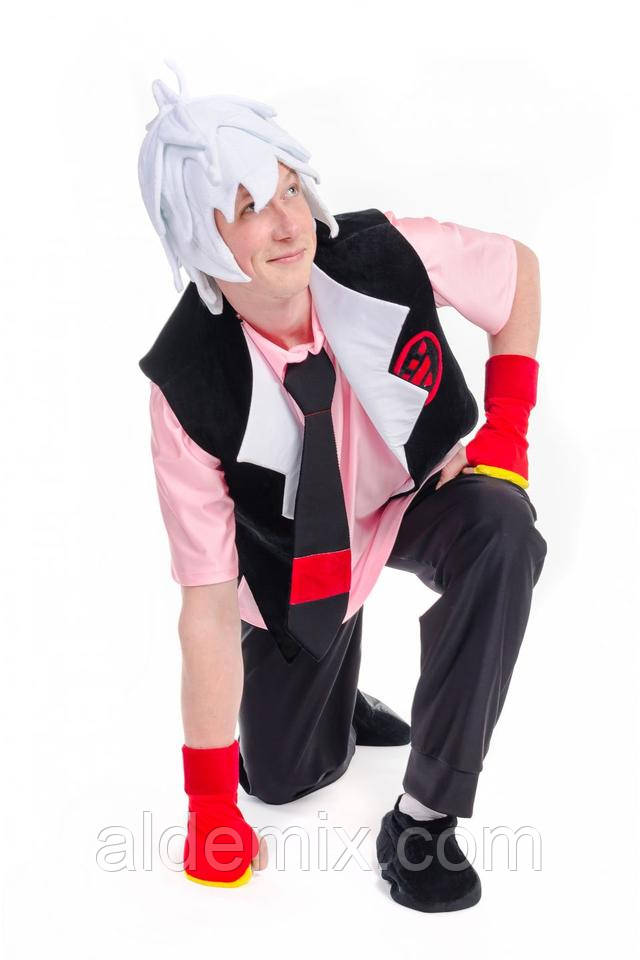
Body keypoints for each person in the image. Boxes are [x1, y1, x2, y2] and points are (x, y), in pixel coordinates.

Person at [137, 61, 547, 912]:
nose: (289, 221)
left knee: (504, 530)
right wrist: (209, 805)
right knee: (280, 780)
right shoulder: (189, 388)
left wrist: (506, 433)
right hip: (298, 565)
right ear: (198, 237)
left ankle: (425, 817)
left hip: (415, 496)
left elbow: (518, 272)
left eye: (290, 188)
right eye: (250, 206)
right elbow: (206, 607)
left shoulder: (382, 252)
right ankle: (333, 691)